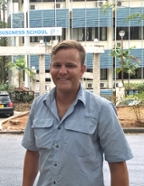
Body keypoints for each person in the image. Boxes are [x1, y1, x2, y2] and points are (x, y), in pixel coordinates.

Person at [21, 40, 133, 186]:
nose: (62, 71)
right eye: (57, 65)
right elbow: (32, 153)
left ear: (82, 70)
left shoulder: (102, 109)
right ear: (50, 68)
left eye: (70, 65)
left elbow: (117, 163)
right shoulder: (38, 106)